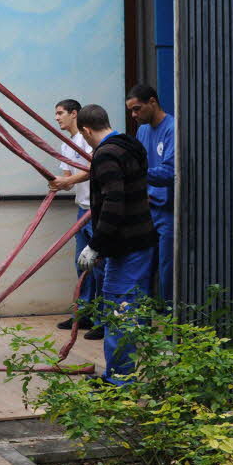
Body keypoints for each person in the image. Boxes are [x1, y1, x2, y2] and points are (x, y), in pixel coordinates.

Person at [74, 104, 157, 385]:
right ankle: (130, 374)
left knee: (119, 310)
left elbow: (113, 201)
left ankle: (120, 382)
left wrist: (96, 244)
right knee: (134, 308)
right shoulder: (131, 145)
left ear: (86, 130)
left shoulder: (106, 154)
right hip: (140, 240)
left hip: (127, 246)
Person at [47, 99, 103, 341]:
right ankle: (84, 314)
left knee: (100, 265)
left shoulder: (86, 138)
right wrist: (58, 182)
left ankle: (103, 319)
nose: (57, 118)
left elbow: (93, 169)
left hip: (97, 210)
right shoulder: (66, 143)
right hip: (82, 209)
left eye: (60, 113)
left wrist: (67, 181)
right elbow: (69, 177)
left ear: (74, 114)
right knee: (82, 265)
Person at [125, 84, 175, 303]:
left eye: (137, 109)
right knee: (142, 267)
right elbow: (139, 164)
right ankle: (142, 323)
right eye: (131, 111)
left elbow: (171, 172)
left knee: (168, 269)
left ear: (152, 102)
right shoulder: (143, 130)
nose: (134, 115)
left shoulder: (172, 128)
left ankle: (169, 319)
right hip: (147, 209)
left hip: (168, 211)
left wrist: (134, 174)